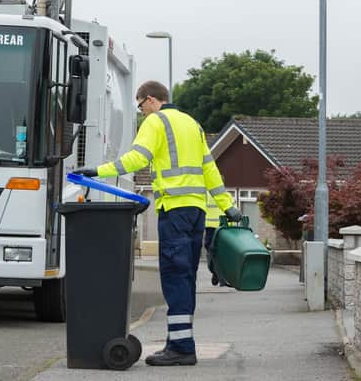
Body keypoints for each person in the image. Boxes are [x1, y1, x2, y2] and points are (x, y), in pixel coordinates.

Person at [73, 81, 242, 366]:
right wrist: (228, 206)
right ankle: (180, 342)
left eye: (140, 106)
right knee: (186, 276)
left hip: (174, 211)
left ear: (150, 100)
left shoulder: (156, 122)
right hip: (196, 211)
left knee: (174, 276)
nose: (141, 113)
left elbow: (138, 158)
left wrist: (98, 171)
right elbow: (209, 169)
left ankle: (181, 349)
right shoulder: (192, 124)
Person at [204, 191, 227, 286]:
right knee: (218, 252)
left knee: (212, 251)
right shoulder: (226, 195)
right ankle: (217, 272)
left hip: (213, 228)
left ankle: (216, 272)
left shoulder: (205, 195)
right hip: (222, 229)